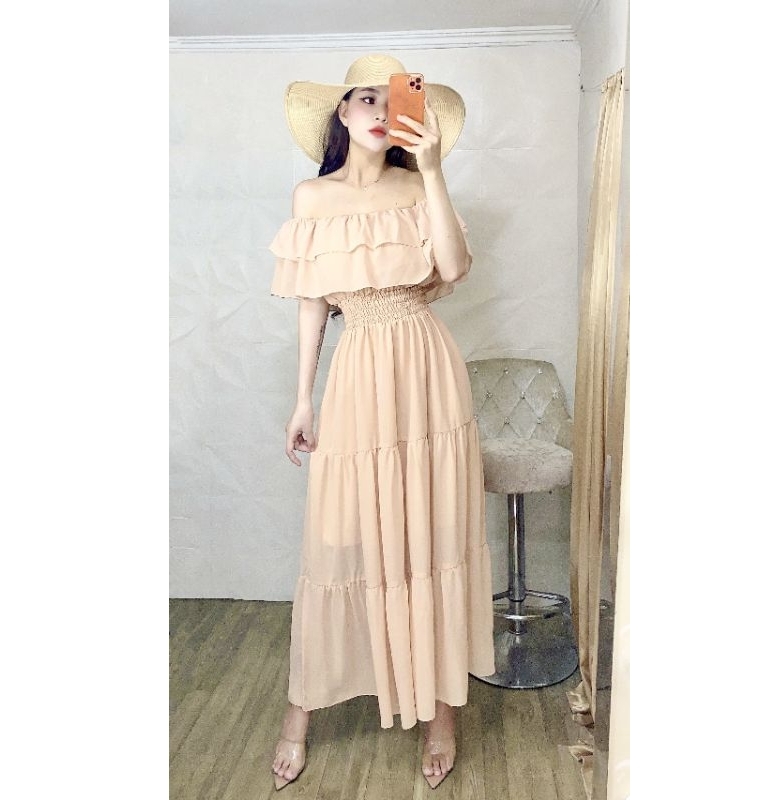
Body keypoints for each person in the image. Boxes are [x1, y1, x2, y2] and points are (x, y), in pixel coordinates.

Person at [268, 54, 495, 791]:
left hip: (427, 370)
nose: (375, 110)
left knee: (432, 531)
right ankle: (302, 708)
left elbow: (452, 269)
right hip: (358, 368)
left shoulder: (417, 184)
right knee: (342, 537)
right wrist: (303, 399)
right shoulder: (312, 198)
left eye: (387, 99)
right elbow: (312, 300)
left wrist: (433, 170)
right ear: (341, 112)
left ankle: (441, 712)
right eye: (363, 98)